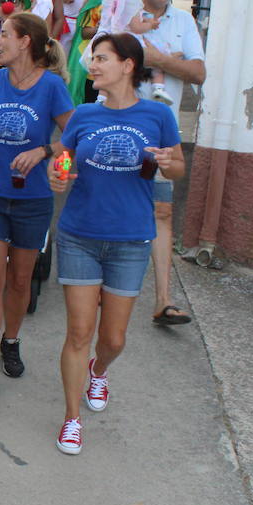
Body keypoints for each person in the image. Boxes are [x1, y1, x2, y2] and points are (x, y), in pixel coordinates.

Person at [49, 33, 184, 455]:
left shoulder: (158, 115)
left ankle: (99, 370)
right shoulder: (85, 115)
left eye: (101, 58)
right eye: (93, 59)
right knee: (78, 332)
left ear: (128, 65)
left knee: (115, 339)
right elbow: (64, 160)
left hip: (130, 238)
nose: (92, 66)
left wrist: (168, 163)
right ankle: (72, 418)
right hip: (79, 236)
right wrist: (58, 174)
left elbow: (178, 167)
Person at [0, 13, 73, 395]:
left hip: (34, 199)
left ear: (25, 41)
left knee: (20, 279)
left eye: (4, 36)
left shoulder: (51, 87)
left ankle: (10, 341)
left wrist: (45, 152)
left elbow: (75, 134)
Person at [136, 0, 206, 327]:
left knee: (162, 211)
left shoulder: (183, 20)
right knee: (112, 203)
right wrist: (161, 58)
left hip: (162, 133)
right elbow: (97, 60)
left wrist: (158, 59)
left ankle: (163, 300)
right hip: (119, 125)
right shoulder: (124, 16)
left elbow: (197, 72)